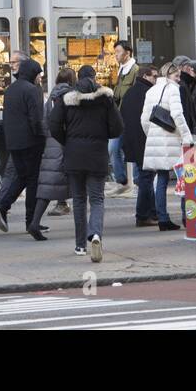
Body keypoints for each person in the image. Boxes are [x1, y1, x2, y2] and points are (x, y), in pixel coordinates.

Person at [49, 66, 121, 262]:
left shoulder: (67, 99)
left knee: (79, 200)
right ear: (95, 77)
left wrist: (67, 140)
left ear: (77, 79)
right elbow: (117, 127)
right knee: (97, 199)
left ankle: (80, 245)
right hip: (97, 155)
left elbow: (53, 124)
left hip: (73, 155)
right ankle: (95, 234)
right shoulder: (105, 98)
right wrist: (104, 135)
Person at [0, 58, 45, 232]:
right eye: (38, 74)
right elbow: (36, 118)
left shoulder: (10, 89)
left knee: (21, 177)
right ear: (33, 74)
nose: (39, 78)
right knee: (33, 181)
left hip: (13, 142)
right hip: (31, 141)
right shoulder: (32, 90)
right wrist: (41, 136)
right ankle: (31, 222)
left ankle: (3, 204)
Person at [140, 63, 191, 231]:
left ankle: (162, 218)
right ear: (169, 75)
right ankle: (186, 216)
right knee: (185, 177)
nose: (179, 80)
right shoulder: (173, 89)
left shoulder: (150, 91)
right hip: (172, 139)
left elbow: (144, 120)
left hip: (155, 139)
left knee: (161, 179)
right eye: (177, 76)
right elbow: (177, 114)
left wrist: (152, 135)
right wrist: (186, 136)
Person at [26, 69, 74, 241]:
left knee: (47, 186)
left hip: (50, 144)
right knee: (80, 185)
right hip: (64, 144)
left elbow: (45, 121)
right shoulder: (69, 96)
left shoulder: (50, 98)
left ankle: (35, 221)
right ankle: (85, 229)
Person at [120, 65, 159, 226]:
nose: (157, 80)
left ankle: (151, 211)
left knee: (145, 177)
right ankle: (143, 214)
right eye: (154, 76)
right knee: (146, 178)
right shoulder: (148, 93)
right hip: (144, 141)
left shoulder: (130, 92)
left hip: (133, 141)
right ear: (146, 76)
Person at [108, 41, 137, 195]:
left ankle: (138, 183)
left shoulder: (135, 70)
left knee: (133, 148)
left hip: (131, 117)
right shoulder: (121, 70)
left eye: (118, 52)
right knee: (113, 148)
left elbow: (134, 94)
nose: (116, 55)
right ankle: (121, 180)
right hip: (119, 117)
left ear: (128, 53)